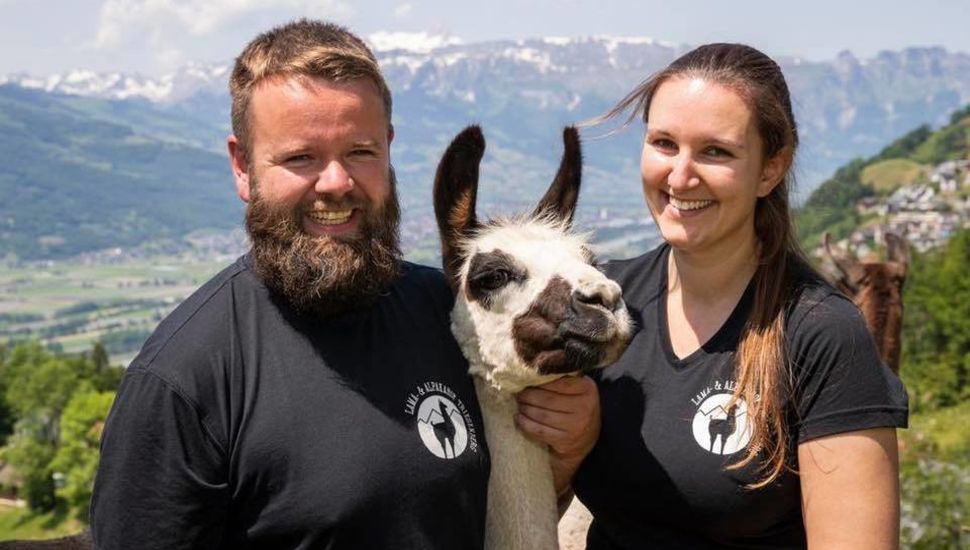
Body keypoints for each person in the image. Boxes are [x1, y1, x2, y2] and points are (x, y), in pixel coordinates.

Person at [89, 19, 596, 549]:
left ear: (389, 150)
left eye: (360, 151)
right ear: (243, 166)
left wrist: (574, 438)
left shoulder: (451, 317)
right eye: (301, 157)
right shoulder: (186, 380)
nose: (336, 183)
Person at [570, 44, 909, 549]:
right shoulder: (602, 302)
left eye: (715, 152)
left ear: (771, 169)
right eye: (664, 143)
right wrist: (564, 450)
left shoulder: (820, 333)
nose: (680, 177)